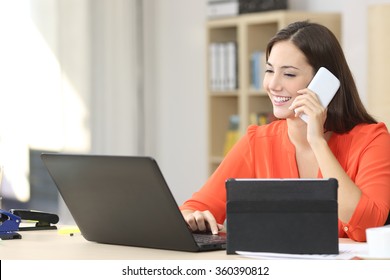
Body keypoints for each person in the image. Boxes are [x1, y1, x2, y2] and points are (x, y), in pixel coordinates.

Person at [180, 21, 390, 242]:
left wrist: (317, 141)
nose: (273, 84)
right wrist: (192, 218)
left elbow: (368, 224)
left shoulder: (373, 140)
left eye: (289, 74)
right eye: (270, 70)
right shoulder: (257, 142)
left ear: (324, 82)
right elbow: (194, 208)